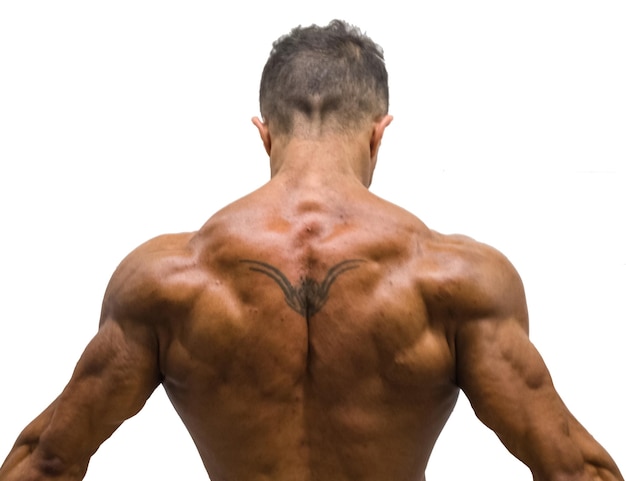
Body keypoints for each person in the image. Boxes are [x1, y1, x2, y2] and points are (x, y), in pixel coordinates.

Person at [0, 19, 622, 481]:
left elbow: (48, 463)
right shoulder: (452, 278)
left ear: (264, 134)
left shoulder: (169, 277)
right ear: (380, 135)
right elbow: (573, 472)